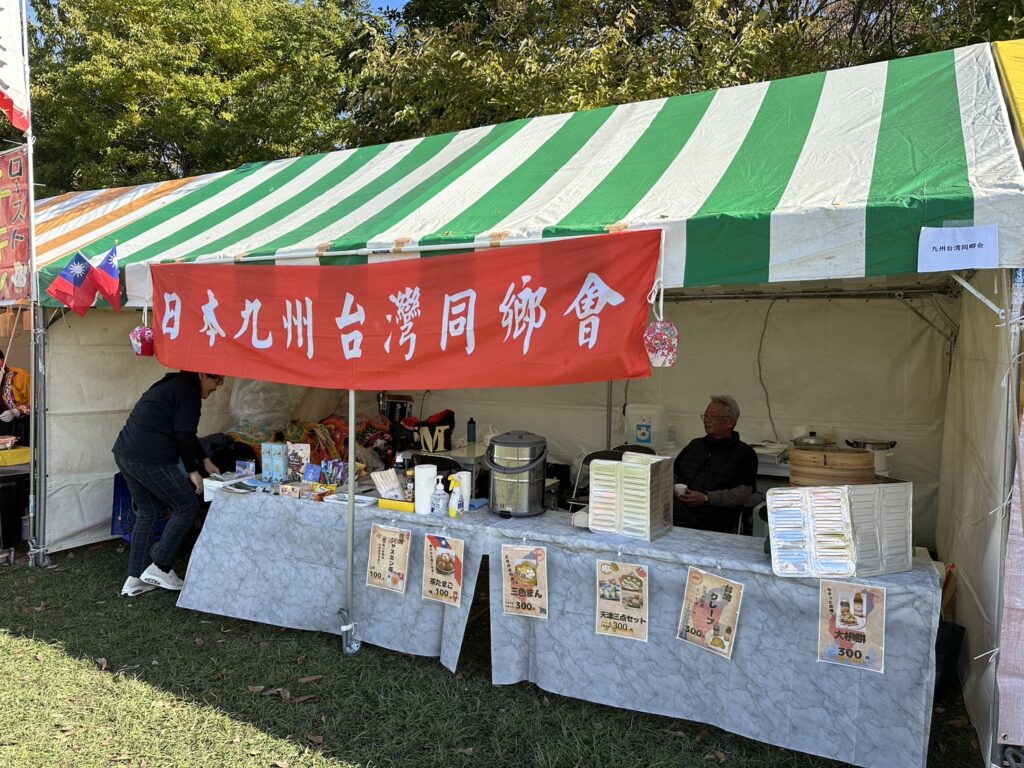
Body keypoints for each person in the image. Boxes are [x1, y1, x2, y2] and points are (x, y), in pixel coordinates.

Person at [113, 371, 224, 597]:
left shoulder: (172, 384)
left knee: (149, 511)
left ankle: (135, 579)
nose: (217, 387)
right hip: (149, 457)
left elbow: (185, 433)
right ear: (202, 374)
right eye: (217, 380)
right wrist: (193, 471)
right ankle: (161, 567)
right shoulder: (188, 392)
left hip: (125, 453)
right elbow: (183, 435)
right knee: (187, 506)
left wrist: (205, 459)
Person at [673, 395, 757, 534]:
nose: (707, 419)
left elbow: (743, 494)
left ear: (730, 422)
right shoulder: (695, 445)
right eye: (705, 415)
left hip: (714, 514)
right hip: (679, 505)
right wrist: (672, 487)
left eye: (712, 416)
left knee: (668, 516)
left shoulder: (744, 453)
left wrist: (706, 498)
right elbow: (672, 473)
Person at [0, 348, 30, 445]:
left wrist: (16, 412)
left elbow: (38, 401)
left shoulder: (21, 376)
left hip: (20, 426)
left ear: (1, 362)